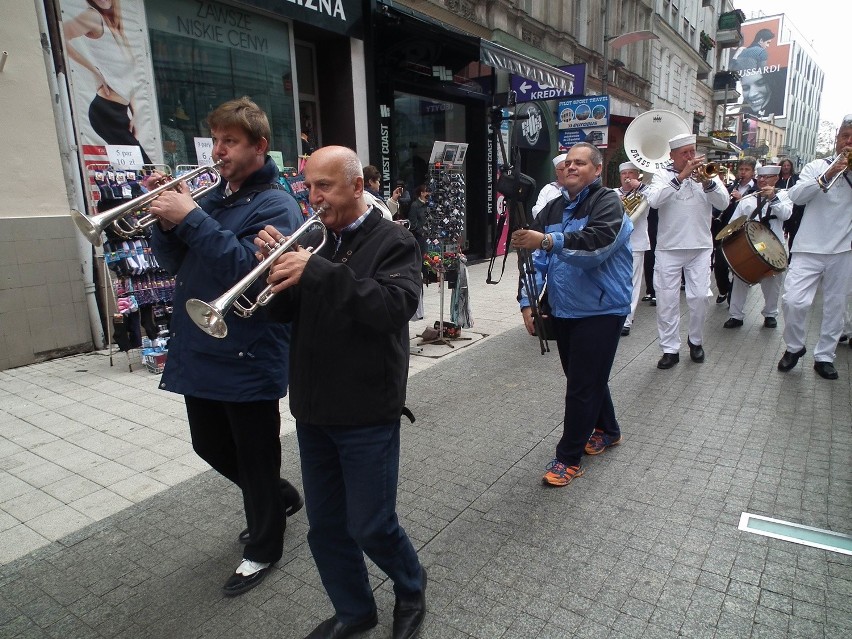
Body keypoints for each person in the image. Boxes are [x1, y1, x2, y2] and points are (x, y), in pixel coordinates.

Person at [256, 146, 427, 639]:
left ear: (357, 187)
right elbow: (284, 316)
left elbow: (392, 307)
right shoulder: (313, 240)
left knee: (371, 523)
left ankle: (411, 587)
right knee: (326, 527)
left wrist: (314, 271)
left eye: (324, 186)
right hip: (313, 407)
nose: (313, 198)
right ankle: (355, 611)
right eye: (308, 187)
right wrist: (274, 274)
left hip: (367, 409)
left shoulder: (393, 240)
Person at [146, 97, 304, 596]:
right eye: (215, 140)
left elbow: (249, 273)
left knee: (255, 454)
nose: (219, 151)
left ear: (259, 146)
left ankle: (264, 546)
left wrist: (190, 216)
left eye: (230, 142)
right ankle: (275, 497)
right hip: (202, 343)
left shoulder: (277, 202)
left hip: (247, 349)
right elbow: (176, 262)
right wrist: (166, 223)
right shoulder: (214, 198)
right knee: (207, 443)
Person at [510, 142, 633, 487]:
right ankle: (608, 430)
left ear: (597, 170)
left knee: (581, 384)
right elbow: (531, 261)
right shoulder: (550, 209)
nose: (572, 167)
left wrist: (548, 242)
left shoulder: (608, 203)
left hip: (602, 309)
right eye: (568, 163)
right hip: (564, 310)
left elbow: (595, 247)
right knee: (586, 378)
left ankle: (568, 457)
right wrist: (528, 302)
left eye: (581, 163)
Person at [645, 134, 730, 369]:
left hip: (701, 246)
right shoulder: (662, 175)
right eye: (685, 153)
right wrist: (681, 177)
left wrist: (708, 183)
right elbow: (654, 201)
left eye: (692, 151)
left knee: (700, 297)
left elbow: (723, 203)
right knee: (666, 300)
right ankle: (670, 349)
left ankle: (696, 341)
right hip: (669, 248)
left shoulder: (708, 174)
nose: (691, 157)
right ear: (672, 155)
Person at [778, 116, 852, 380]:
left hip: (843, 251)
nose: (850, 141)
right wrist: (830, 173)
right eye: (846, 136)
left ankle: (824, 356)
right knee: (792, 301)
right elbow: (797, 196)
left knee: (835, 307)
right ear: (837, 139)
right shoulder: (815, 166)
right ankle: (795, 347)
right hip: (808, 247)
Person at [63, 0, 152, 163]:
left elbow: (127, 79)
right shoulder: (93, 17)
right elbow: (62, 35)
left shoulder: (116, 26)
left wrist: (133, 112)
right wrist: (94, 69)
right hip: (105, 111)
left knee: (139, 175)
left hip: (120, 112)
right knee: (148, 172)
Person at [722, 165, 792, 329]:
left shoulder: (784, 195)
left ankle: (770, 314)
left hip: (774, 247)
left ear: (776, 178)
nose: (762, 180)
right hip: (749, 246)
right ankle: (736, 315)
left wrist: (773, 198)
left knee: (772, 282)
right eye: (761, 177)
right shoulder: (748, 197)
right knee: (740, 279)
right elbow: (733, 222)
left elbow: (786, 214)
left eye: (767, 177)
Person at [712, 158, 757, 304]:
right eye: (741, 169)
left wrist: (742, 198)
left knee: (738, 265)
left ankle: (734, 296)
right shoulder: (730, 187)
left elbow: (756, 208)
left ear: (753, 172)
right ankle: (724, 289)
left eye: (747, 170)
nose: (743, 172)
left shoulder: (756, 189)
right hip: (727, 230)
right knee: (719, 264)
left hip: (745, 231)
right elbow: (721, 205)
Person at [615, 161, 650, 336]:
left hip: (636, 243)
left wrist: (641, 187)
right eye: (624, 174)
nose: (627, 177)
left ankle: (627, 320)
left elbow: (654, 200)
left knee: (634, 282)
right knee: (618, 280)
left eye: (631, 173)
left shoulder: (645, 193)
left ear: (637, 176)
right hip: (616, 244)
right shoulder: (613, 194)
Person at [778, 158, 804, 252]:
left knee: (793, 234)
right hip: (779, 208)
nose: (786, 167)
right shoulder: (777, 178)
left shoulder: (796, 178)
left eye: (788, 165)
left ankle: (790, 255)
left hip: (794, 211)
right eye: (784, 165)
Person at [531, 153, 567, 218]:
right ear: (556, 171)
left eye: (568, 169)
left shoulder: (577, 188)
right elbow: (538, 210)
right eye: (562, 169)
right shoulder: (548, 189)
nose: (566, 172)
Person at [408, 184, 430, 259]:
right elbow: (413, 222)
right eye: (427, 192)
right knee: (423, 257)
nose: (429, 194)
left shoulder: (429, 205)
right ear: (422, 193)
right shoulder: (415, 205)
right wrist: (422, 232)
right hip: (421, 237)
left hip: (431, 235)